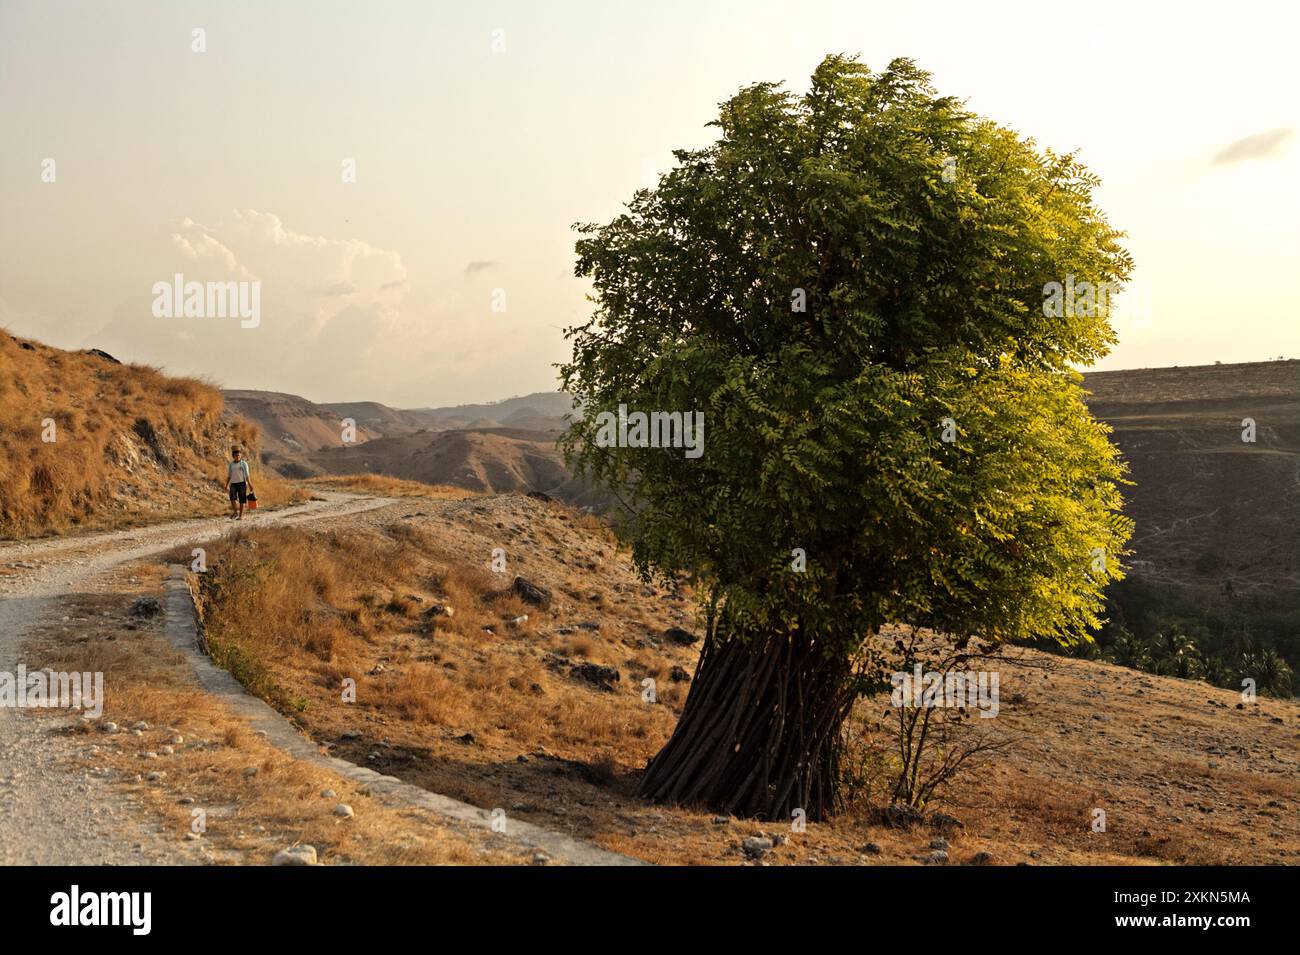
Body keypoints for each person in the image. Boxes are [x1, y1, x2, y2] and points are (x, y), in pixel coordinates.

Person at [225, 446, 253, 520]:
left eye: (239, 455)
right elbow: (229, 475)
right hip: (233, 484)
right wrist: (226, 485)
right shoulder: (231, 465)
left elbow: (247, 475)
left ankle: (241, 516)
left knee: (242, 500)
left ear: (241, 456)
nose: (238, 457)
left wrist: (250, 484)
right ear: (233, 456)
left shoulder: (244, 464)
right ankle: (235, 512)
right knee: (232, 498)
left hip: (242, 483)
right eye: (236, 455)